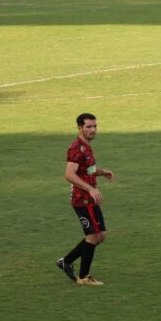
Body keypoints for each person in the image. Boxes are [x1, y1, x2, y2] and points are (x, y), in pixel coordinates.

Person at [56, 113, 114, 287]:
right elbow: (69, 174)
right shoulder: (76, 148)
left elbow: (88, 169)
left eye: (95, 126)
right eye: (88, 127)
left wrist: (103, 173)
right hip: (83, 200)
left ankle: (66, 262)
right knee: (94, 236)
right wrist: (90, 188)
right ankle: (84, 276)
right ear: (79, 128)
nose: (93, 130)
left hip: (91, 198)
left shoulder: (86, 147)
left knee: (100, 235)